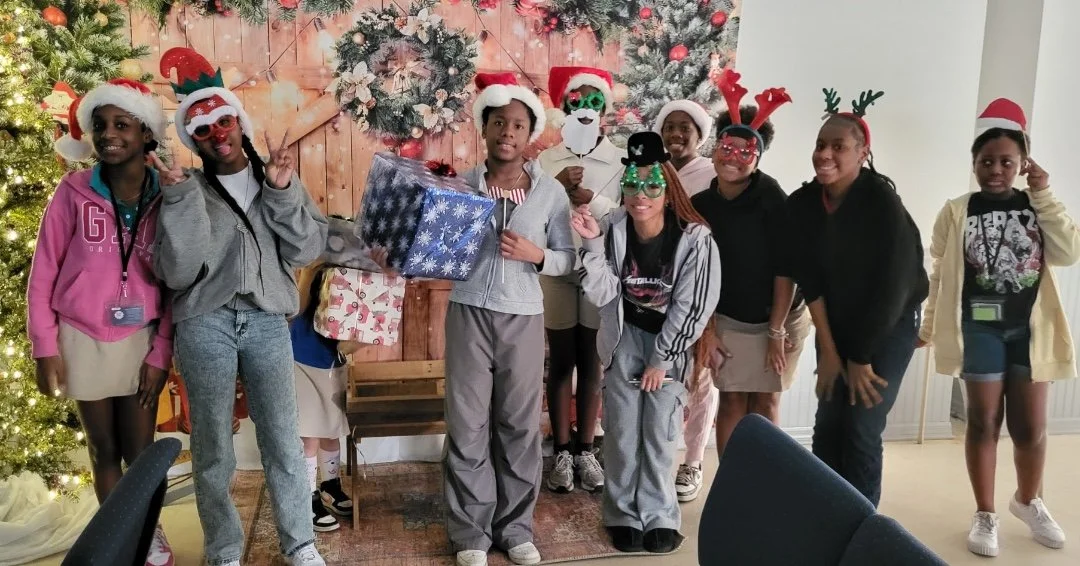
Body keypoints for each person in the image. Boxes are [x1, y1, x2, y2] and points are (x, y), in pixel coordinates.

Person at [152, 47, 328, 566]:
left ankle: (300, 545)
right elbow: (176, 273)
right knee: (213, 447)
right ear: (193, 139)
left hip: (267, 321)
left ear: (238, 120)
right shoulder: (186, 190)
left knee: (282, 440)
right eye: (202, 129)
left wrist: (281, 190)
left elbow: (305, 249)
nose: (218, 133)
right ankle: (224, 551)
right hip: (204, 324)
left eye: (224, 120)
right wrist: (181, 203)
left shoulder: (275, 179)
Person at [919, 98, 1078, 557]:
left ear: (1022, 163)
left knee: (1031, 428)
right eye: (986, 161)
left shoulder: (1036, 204)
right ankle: (985, 513)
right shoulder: (956, 210)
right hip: (980, 328)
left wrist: (1044, 192)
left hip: (1031, 332)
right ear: (974, 164)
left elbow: (1068, 252)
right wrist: (930, 326)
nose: (995, 169)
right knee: (983, 422)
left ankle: (1028, 501)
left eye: (1006, 161)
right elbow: (941, 273)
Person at [30, 78, 175, 566]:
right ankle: (118, 537)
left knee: (142, 449)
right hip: (82, 335)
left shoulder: (168, 194)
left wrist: (161, 353)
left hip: (141, 337)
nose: (109, 134)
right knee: (103, 447)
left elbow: (179, 283)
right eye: (100, 126)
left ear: (146, 134)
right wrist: (44, 346)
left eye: (122, 124)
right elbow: (44, 270)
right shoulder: (72, 192)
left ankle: (147, 532)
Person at [444, 73, 575, 566]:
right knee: (467, 425)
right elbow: (438, 253)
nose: (508, 133)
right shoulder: (459, 185)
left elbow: (568, 259)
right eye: (499, 122)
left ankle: (515, 529)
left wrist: (537, 255)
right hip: (468, 313)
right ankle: (471, 535)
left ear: (529, 135)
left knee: (520, 426)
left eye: (518, 125)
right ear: (485, 128)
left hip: (523, 317)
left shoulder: (549, 195)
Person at [572, 131, 720, 554]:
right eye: (632, 184)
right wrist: (591, 243)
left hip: (669, 343)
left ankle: (658, 514)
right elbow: (601, 292)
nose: (641, 194)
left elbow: (693, 306)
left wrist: (664, 359)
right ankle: (621, 513)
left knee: (659, 430)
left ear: (668, 189)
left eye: (652, 184)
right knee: (620, 430)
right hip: (624, 338)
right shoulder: (612, 228)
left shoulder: (695, 239)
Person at [786, 88, 927, 507]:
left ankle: (860, 528)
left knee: (862, 426)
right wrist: (829, 351)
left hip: (890, 324)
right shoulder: (806, 203)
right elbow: (810, 280)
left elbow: (894, 287)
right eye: (820, 144)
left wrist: (860, 357)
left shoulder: (881, 202)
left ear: (862, 152)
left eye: (838, 146)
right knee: (828, 423)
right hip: (838, 324)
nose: (825, 154)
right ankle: (824, 514)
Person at [693, 70, 809, 469]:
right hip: (728, 315)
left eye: (746, 152)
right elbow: (696, 273)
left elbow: (785, 270)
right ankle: (731, 482)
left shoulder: (771, 198)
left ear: (758, 157)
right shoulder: (701, 205)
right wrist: (707, 328)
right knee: (732, 398)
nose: (734, 157)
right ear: (714, 149)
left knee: (765, 402)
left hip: (779, 315)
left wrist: (776, 331)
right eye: (727, 147)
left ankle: (765, 483)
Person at [537, 66, 624, 494]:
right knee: (560, 361)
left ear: (603, 110)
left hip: (598, 269)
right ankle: (561, 452)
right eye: (577, 101)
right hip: (556, 267)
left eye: (594, 102)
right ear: (564, 106)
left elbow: (629, 217)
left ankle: (587, 449)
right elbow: (533, 213)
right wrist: (554, 187)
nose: (585, 108)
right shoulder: (547, 159)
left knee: (592, 361)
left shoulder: (619, 159)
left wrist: (598, 200)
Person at [652, 98, 719, 502]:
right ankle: (660, 454)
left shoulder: (711, 174)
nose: (676, 134)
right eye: (669, 127)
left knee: (701, 378)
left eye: (685, 127)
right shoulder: (653, 173)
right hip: (655, 292)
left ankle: (692, 461)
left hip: (697, 292)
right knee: (663, 373)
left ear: (699, 135)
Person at [291, 265, 357, 534]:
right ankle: (305, 498)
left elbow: (347, 342)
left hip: (332, 361)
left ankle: (330, 487)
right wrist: (310, 269)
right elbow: (294, 309)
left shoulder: (357, 267)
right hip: (299, 355)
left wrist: (373, 336)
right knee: (308, 434)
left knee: (331, 429)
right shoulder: (310, 263)